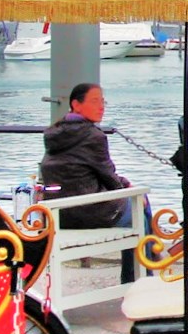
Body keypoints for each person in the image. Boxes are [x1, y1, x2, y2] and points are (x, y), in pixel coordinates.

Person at [40, 82, 154, 284]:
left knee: (138, 201)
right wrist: (127, 187)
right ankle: (139, 279)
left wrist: (125, 184)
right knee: (140, 212)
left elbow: (87, 171)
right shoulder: (93, 136)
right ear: (76, 104)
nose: (101, 107)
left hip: (60, 215)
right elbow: (110, 178)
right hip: (90, 213)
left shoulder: (54, 135)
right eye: (94, 101)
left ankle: (147, 267)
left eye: (103, 101)